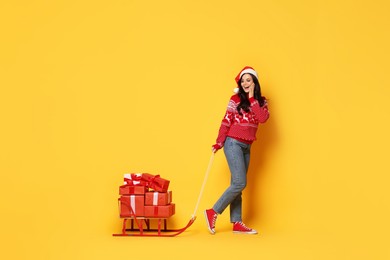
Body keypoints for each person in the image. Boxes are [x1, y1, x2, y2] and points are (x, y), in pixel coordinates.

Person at [204, 66, 270, 235]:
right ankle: (213, 211)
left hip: (247, 146)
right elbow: (226, 121)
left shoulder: (261, 102)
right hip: (232, 143)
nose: (245, 83)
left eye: (249, 80)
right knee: (240, 183)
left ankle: (237, 222)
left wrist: (252, 99)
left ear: (254, 82)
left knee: (237, 185)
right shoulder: (234, 99)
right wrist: (219, 142)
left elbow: (262, 118)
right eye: (243, 80)